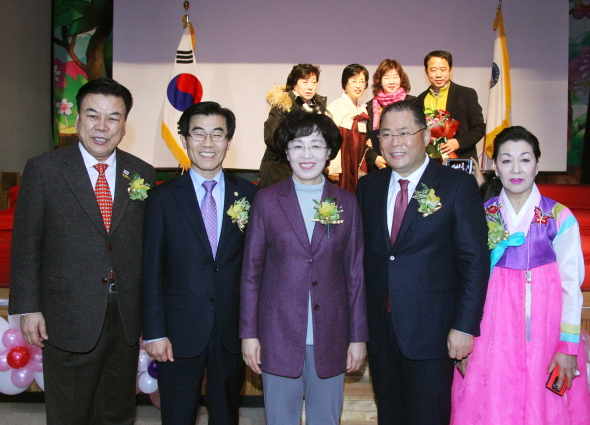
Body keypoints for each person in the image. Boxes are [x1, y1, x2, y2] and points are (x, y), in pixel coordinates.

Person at [9, 78, 156, 424]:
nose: (102, 127)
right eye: (93, 115)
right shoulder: (44, 170)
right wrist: (28, 307)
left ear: (124, 125)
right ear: (77, 119)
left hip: (124, 317)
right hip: (67, 314)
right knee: (70, 413)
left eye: (113, 118)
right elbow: (26, 243)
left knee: (118, 410)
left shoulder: (142, 173)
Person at [356, 100, 490, 425]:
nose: (395, 142)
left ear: (426, 135)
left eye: (404, 132)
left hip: (434, 331)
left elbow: (474, 260)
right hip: (380, 331)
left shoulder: (456, 186)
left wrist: (464, 326)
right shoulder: (368, 187)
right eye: (386, 134)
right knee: (390, 415)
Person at [451, 126, 590, 425]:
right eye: (506, 160)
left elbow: (571, 286)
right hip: (490, 333)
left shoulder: (558, 218)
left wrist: (568, 347)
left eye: (525, 160)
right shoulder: (479, 214)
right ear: (494, 167)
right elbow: (462, 280)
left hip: (545, 332)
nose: (516, 169)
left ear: (538, 165)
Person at [240, 110, 368, 425]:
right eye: (298, 146)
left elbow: (355, 275)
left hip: (332, 335)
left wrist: (358, 336)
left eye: (316, 145)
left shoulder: (346, 203)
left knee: (326, 419)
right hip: (278, 334)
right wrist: (249, 334)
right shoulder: (267, 201)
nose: (307, 154)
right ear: (286, 151)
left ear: (329, 152)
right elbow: (251, 274)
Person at [142, 101, 258, 425]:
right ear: (185, 139)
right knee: (177, 415)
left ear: (228, 142)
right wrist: (154, 332)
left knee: (226, 414)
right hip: (177, 332)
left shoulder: (250, 196)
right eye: (199, 133)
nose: (208, 143)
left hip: (230, 329)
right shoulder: (162, 199)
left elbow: (255, 269)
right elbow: (151, 270)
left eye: (217, 134)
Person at [258, 63, 327, 189]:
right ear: (294, 83)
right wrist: (296, 149)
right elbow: (270, 137)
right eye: (305, 82)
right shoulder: (284, 103)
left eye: (314, 82)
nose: (310, 87)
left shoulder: (318, 107)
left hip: (308, 170)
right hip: (280, 171)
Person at [416, 50, 485, 161]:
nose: (438, 75)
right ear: (426, 72)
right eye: (433, 70)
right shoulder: (421, 99)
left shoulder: (466, 94)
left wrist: (458, 142)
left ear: (450, 70)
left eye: (443, 70)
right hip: (430, 161)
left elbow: (479, 128)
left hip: (460, 158)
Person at [327, 63, 371, 193]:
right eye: (354, 81)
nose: (358, 85)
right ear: (345, 83)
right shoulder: (336, 107)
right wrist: (333, 167)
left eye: (362, 81)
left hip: (357, 162)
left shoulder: (364, 108)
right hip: (342, 164)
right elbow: (330, 140)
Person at [366, 59, 416, 156]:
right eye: (387, 77)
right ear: (379, 80)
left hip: (405, 156)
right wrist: (375, 158)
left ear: (401, 79)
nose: (391, 82)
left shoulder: (412, 103)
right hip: (379, 161)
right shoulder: (370, 106)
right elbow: (366, 141)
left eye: (395, 77)